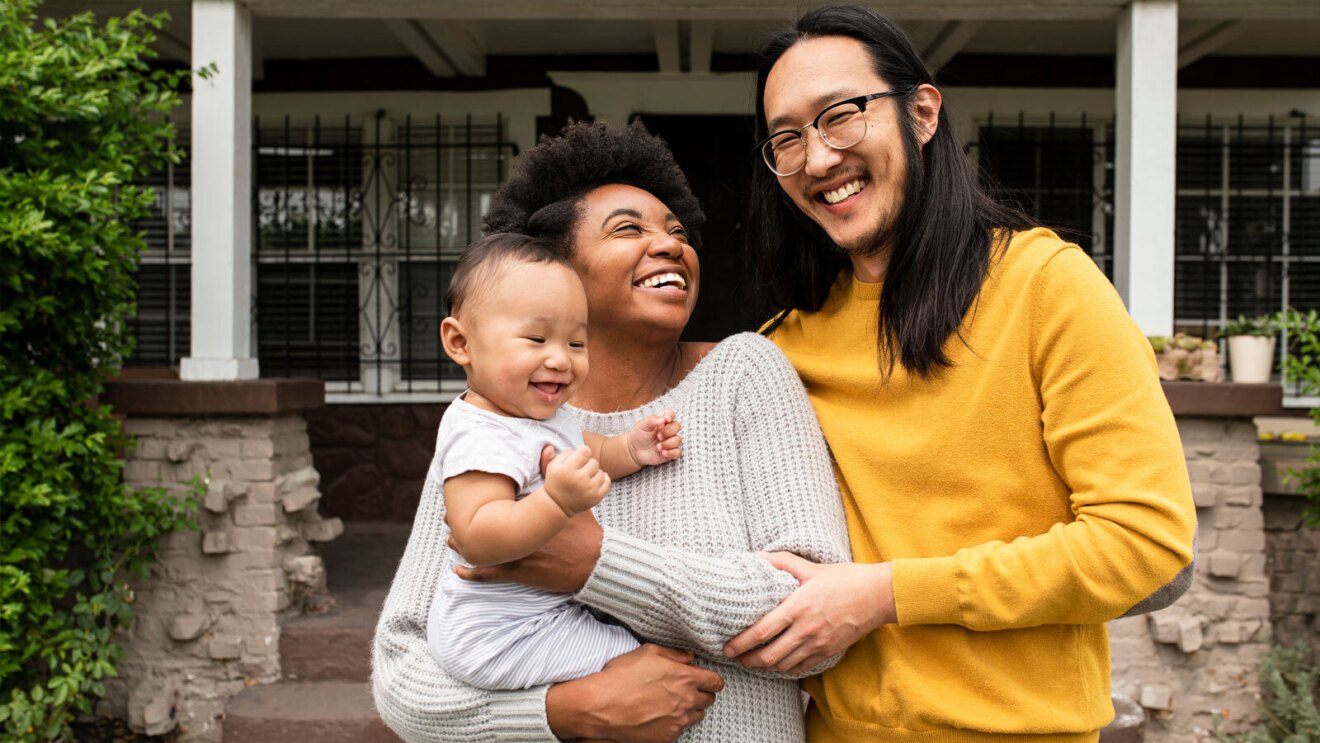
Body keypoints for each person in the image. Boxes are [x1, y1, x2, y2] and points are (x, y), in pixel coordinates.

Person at [722, 6, 1198, 743]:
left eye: (840, 116)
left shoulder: (1046, 288)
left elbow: (1144, 542)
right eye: (786, 138)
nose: (817, 159)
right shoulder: (780, 349)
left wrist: (887, 594)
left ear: (922, 112)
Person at [372, 120, 852, 742]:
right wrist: (564, 712)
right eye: (629, 229)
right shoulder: (490, 420)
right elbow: (402, 672)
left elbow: (816, 627)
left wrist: (595, 564)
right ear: (555, 269)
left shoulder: (744, 374)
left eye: (678, 233)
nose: (671, 245)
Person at [426, 232, 684, 690]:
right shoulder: (477, 432)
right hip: (497, 635)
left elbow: (591, 453)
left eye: (577, 344)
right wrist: (556, 502)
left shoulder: (540, 417)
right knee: (638, 666)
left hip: (536, 619)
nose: (560, 360)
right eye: (537, 338)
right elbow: (475, 536)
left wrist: (630, 449)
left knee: (634, 653)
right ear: (460, 343)